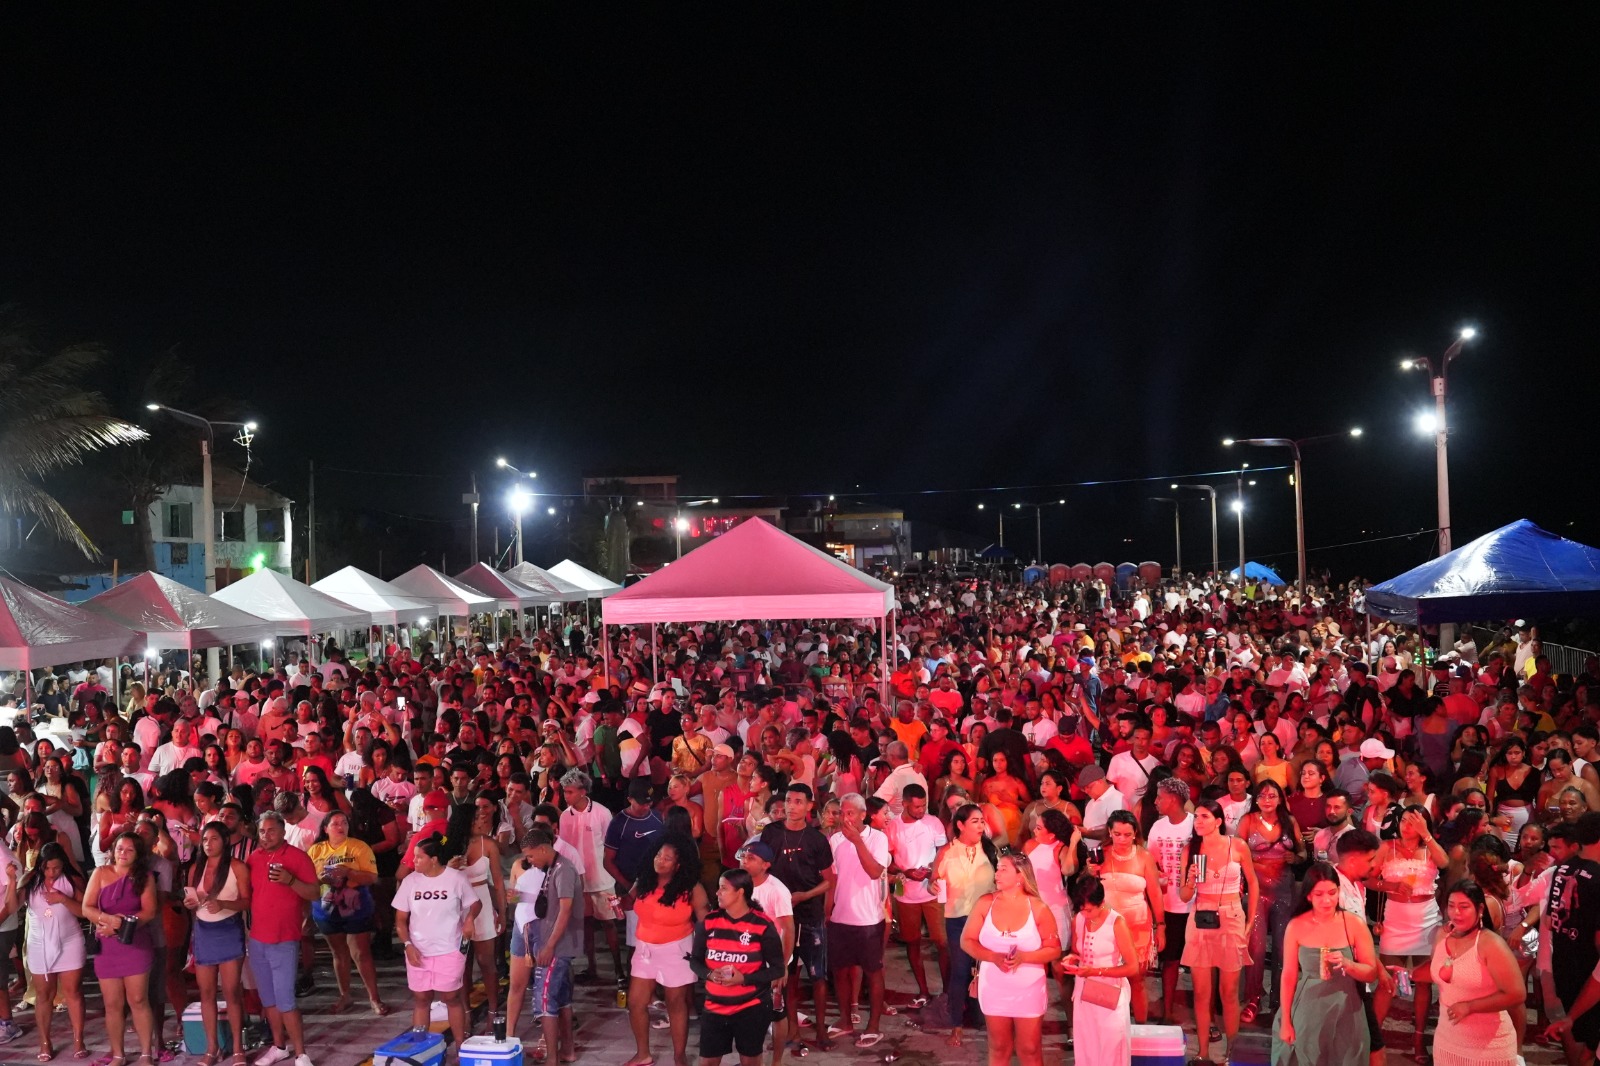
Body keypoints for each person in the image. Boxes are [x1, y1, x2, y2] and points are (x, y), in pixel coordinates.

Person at [1270, 862, 1379, 1065]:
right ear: (1308, 896)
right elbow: (1289, 975)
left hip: (1347, 1006)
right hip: (1309, 1006)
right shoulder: (1296, 926)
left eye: (1332, 893)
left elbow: (1371, 973)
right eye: (1319, 894)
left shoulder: (1353, 923)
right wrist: (1285, 1019)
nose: (1326, 900)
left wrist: (1349, 964)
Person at [1179, 798, 1260, 1066]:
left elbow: (1253, 884)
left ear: (1218, 821)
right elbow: (1183, 895)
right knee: (1202, 993)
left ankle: (1231, 1054)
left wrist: (1250, 923)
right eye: (1196, 817)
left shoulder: (1237, 845)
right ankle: (1202, 1052)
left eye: (1204, 816)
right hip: (1201, 918)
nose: (1198, 821)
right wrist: (1191, 880)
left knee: (1229, 992)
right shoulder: (1190, 849)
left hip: (1231, 916)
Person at [960, 851, 1058, 1066]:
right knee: (999, 1047)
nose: (997, 873)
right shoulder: (985, 903)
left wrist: (1025, 957)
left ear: (1020, 875)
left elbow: (1054, 949)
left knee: (1030, 1048)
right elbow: (966, 941)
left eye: (1003, 869)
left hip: (1029, 989)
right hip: (994, 988)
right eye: (997, 869)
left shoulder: (1038, 908)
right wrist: (993, 957)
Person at [620, 837, 709, 1066]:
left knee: (675, 1004)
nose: (660, 860)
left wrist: (706, 953)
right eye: (658, 855)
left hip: (676, 950)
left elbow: (706, 922)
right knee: (636, 1002)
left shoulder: (691, 888)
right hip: (645, 949)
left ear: (678, 865)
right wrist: (617, 905)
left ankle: (679, 1057)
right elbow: (628, 903)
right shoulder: (644, 881)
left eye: (667, 858)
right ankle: (643, 1054)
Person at [759, 784, 835, 1051]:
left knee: (818, 976)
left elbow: (829, 881)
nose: (791, 807)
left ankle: (821, 1030)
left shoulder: (816, 839)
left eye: (798, 802)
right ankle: (791, 1030)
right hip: (780, 917)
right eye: (788, 801)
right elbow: (761, 868)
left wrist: (805, 896)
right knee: (785, 976)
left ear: (809, 806)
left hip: (810, 914)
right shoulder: (771, 833)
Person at [1372, 806, 1449, 1062]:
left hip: (1425, 919)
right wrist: (1391, 885)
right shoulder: (1387, 847)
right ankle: (1374, 1038)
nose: (1406, 825)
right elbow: (1368, 878)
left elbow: (1445, 863)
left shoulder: (1429, 848)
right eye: (1404, 820)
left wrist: (1426, 834)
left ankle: (1418, 1039)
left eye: (1413, 821)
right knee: (1386, 980)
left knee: (1424, 982)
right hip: (1395, 919)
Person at [245, 811, 320, 1066]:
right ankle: (279, 1047)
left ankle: (301, 1053)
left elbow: (314, 893)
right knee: (269, 1000)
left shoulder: (297, 857)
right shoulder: (254, 858)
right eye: (262, 831)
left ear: (283, 831)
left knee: (286, 1000)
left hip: (285, 939)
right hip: (257, 939)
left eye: (271, 830)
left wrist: (291, 881)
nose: (266, 836)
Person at [691, 869, 786, 1066]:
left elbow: (778, 969)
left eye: (723, 888)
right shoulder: (709, 921)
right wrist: (709, 974)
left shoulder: (762, 925)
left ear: (740, 892)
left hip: (751, 1008)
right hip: (714, 1007)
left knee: (750, 1061)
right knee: (707, 1062)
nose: (717, 893)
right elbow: (695, 961)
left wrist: (744, 979)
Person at [394, 837, 480, 1050]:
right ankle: (420, 1049)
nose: (413, 861)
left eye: (419, 857)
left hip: (449, 948)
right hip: (418, 950)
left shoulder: (456, 878)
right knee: (422, 998)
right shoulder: (410, 882)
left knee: (451, 997)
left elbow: (475, 903)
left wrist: (469, 919)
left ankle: (460, 1046)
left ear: (433, 859)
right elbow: (400, 920)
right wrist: (407, 945)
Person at [1426, 879, 1523, 1066]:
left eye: (1464, 907)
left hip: (1488, 1049)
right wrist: (1408, 973)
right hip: (1446, 1042)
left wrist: (1470, 1006)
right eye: (1451, 906)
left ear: (1480, 909)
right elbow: (1442, 972)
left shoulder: (1491, 944)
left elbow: (1516, 994)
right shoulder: (1443, 935)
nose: (1456, 912)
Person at [83, 831, 157, 1066]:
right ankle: (118, 1054)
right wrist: (107, 919)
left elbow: (149, 911)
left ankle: (146, 1053)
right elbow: (87, 907)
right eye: (119, 849)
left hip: (135, 944)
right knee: (112, 1004)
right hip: (107, 947)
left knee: (138, 1000)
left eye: (129, 850)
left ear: (138, 854)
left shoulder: (144, 877)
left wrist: (121, 926)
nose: (123, 853)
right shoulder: (100, 873)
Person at [306, 812, 388, 1017]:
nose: (341, 826)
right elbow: (308, 880)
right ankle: (345, 995)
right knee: (338, 953)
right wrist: (323, 878)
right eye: (335, 823)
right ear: (325, 828)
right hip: (325, 908)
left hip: (355, 907)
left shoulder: (359, 847)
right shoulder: (316, 850)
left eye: (344, 822)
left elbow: (372, 877)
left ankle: (374, 998)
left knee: (360, 953)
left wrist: (348, 872)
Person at [825, 793, 890, 1048]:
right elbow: (833, 879)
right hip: (841, 916)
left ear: (864, 815)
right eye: (842, 813)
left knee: (873, 971)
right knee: (840, 971)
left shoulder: (878, 838)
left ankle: (873, 1025)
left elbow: (875, 871)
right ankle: (845, 1020)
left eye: (850, 813)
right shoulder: (835, 840)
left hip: (869, 919)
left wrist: (857, 842)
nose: (845, 818)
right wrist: (827, 911)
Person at [1238, 779, 1303, 1024]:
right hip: (1257, 889)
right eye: (1262, 796)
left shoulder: (1289, 821)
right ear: (1255, 799)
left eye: (1272, 795)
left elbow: (1302, 853)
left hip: (1283, 889)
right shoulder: (1248, 821)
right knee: (1255, 946)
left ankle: (1279, 999)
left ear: (1280, 799)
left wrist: (1295, 857)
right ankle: (1254, 997)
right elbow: (1236, 854)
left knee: (1282, 947)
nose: (1267, 800)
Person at [185, 823, 251, 1066]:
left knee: (232, 991)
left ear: (224, 840)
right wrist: (191, 903)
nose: (208, 844)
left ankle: (238, 1047)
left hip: (229, 929)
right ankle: (212, 1047)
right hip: (204, 931)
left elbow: (247, 902)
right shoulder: (196, 868)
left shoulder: (237, 867)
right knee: (206, 992)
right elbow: (192, 900)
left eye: (214, 839)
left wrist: (224, 904)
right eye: (205, 839)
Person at [932, 803, 995, 1047]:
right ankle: (956, 1026)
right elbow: (933, 880)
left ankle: (990, 1020)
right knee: (959, 972)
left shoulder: (989, 850)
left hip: (987, 920)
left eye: (982, 821)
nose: (981, 826)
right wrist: (932, 886)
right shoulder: (947, 852)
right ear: (960, 825)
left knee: (988, 972)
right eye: (975, 821)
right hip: (957, 920)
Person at [517, 829, 581, 1066]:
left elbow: (565, 910)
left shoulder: (563, 870)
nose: (529, 861)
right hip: (552, 943)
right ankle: (568, 1051)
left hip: (556, 947)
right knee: (562, 1000)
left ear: (543, 849)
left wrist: (549, 946)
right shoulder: (552, 868)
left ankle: (552, 1059)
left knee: (544, 1001)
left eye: (531, 855)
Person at [1061, 873, 1139, 1066]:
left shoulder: (1116, 923)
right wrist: (1073, 958)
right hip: (1084, 993)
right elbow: (1077, 951)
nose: (1085, 914)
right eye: (1081, 909)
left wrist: (1096, 972)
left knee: (1111, 1047)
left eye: (1089, 910)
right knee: (1088, 1046)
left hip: (1110, 992)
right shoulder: (1079, 919)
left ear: (1101, 903)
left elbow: (1132, 967)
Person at [1093, 809, 1163, 1022]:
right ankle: (1108, 1026)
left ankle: (1140, 1027)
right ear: (1109, 832)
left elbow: (1155, 893)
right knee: (1106, 979)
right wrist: (1090, 872)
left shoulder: (1144, 856)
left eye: (1127, 834)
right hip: (1106, 927)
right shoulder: (1100, 854)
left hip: (1137, 926)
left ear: (1135, 834)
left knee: (1137, 980)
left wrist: (1161, 926)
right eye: (1117, 834)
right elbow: (1089, 892)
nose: (1122, 839)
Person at [22, 842, 87, 1061]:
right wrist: (13, 881)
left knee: (73, 992)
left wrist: (63, 899)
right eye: (47, 868)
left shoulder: (73, 880)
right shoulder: (31, 881)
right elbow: (12, 905)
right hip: (39, 943)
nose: (52, 872)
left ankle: (78, 1040)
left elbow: (85, 911)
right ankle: (45, 1042)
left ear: (63, 865)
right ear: (41, 865)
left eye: (57, 868)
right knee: (44, 995)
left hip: (70, 941)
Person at [887, 782, 947, 1007]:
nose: (922, 810)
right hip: (905, 893)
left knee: (942, 942)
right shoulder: (893, 827)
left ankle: (947, 992)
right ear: (904, 804)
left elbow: (943, 852)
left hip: (933, 891)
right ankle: (923, 991)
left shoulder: (933, 823)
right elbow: (888, 861)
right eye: (917, 807)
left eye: (924, 805)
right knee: (912, 941)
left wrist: (932, 869)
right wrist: (906, 872)